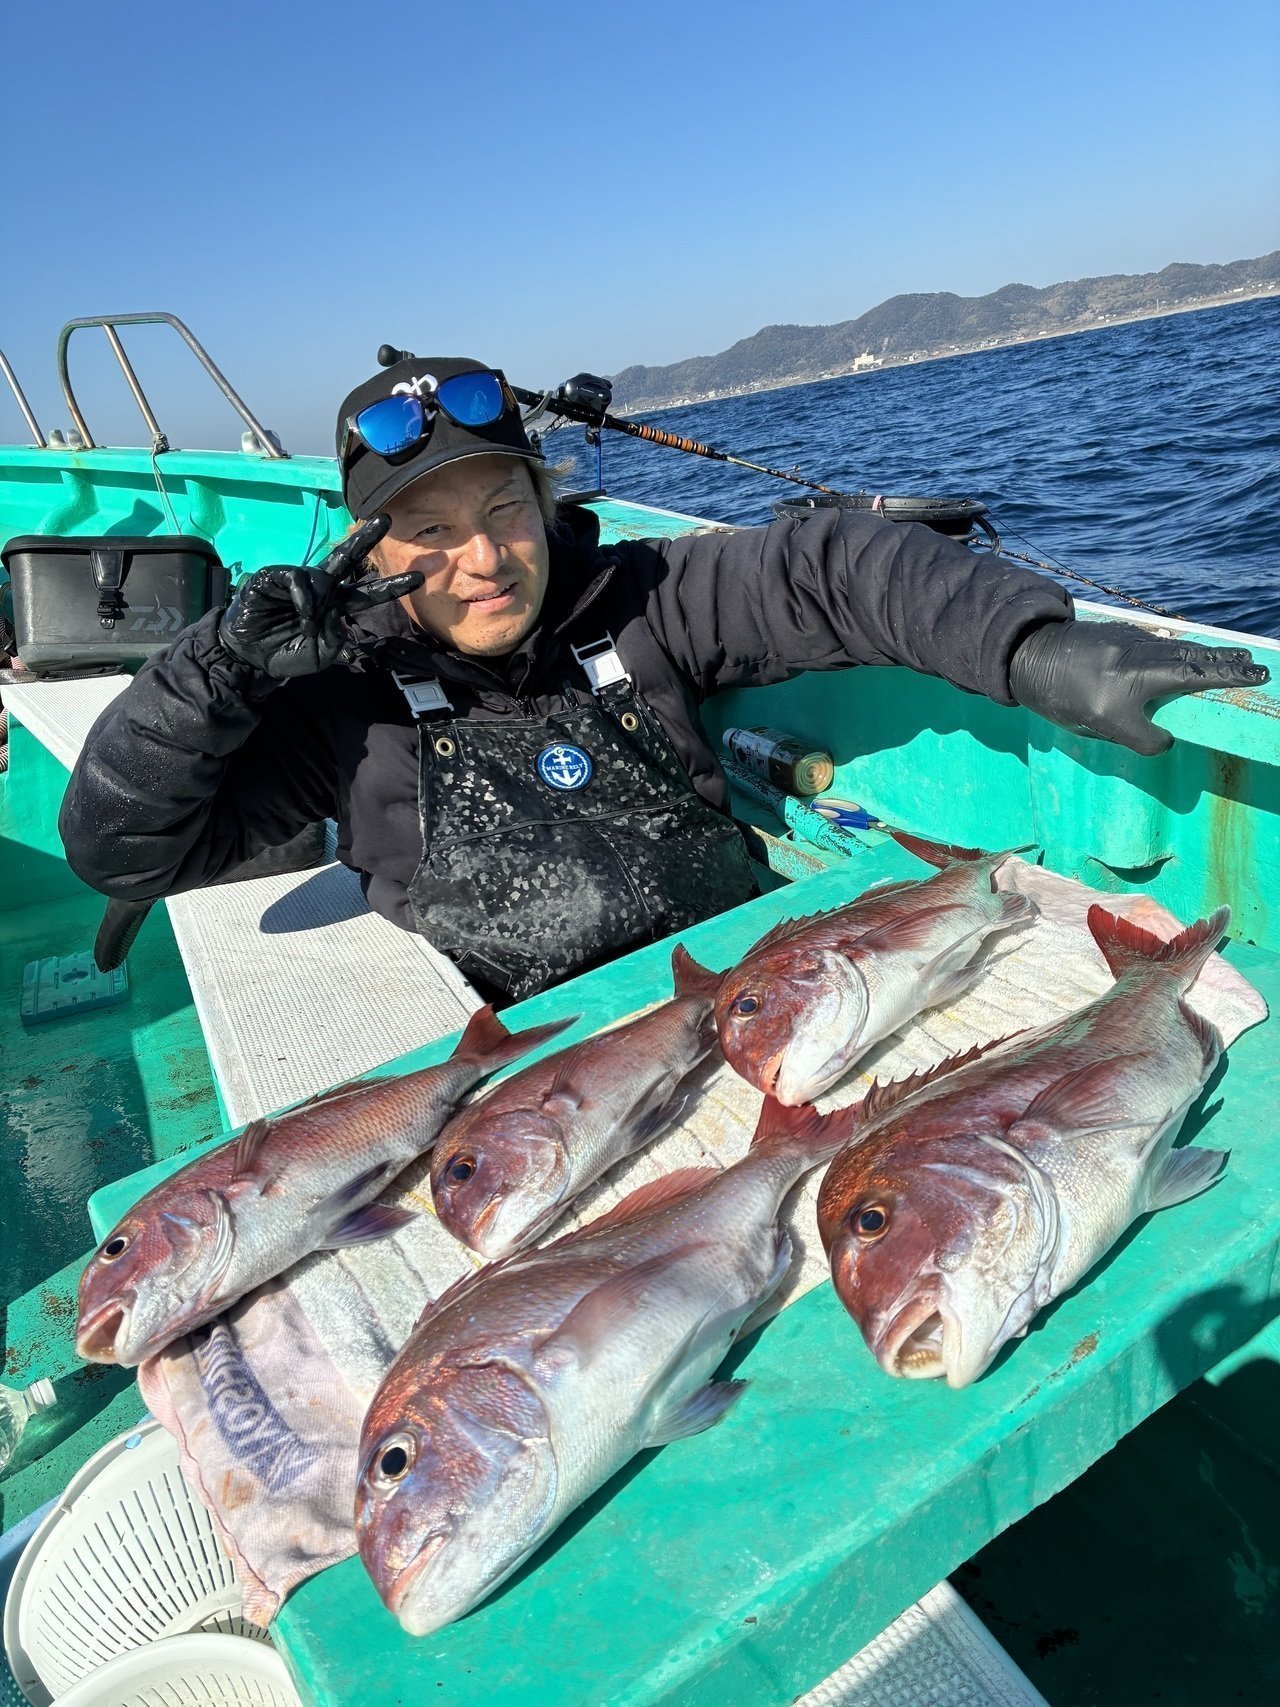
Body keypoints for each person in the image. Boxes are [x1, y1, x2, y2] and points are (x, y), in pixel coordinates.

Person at [59, 354, 1269, 1004]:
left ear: (544, 502)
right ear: (367, 554)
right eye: (427, 532)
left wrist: (1025, 644)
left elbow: (827, 567)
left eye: (503, 509)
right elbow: (123, 853)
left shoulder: (637, 597)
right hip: (514, 1060)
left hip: (740, 994)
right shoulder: (340, 699)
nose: (482, 561)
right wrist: (214, 669)